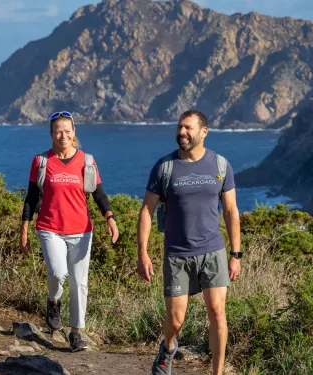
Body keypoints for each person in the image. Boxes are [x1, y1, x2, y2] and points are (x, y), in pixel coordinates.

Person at [137, 110, 242, 375]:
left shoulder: (220, 165)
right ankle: (168, 347)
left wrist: (235, 254)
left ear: (203, 132)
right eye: (179, 128)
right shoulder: (164, 167)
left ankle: (217, 372)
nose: (181, 133)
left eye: (188, 128)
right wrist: (143, 253)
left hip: (212, 251)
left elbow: (230, 211)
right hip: (177, 254)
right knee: (175, 320)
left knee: (217, 313)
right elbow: (147, 211)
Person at [20, 111, 119, 352]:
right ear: (51, 134)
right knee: (57, 273)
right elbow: (31, 198)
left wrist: (110, 217)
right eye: (58, 131)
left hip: (81, 230)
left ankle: (76, 333)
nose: (63, 135)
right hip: (49, 227)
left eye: (67, 130)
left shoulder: (87, 161)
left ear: (74, 132)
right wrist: (23, 231)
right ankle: (53, 301)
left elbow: (98, 193)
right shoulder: (41, 161)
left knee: (79, 283)